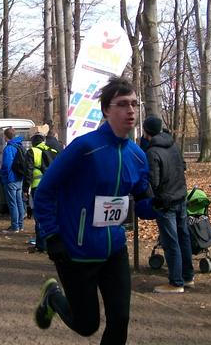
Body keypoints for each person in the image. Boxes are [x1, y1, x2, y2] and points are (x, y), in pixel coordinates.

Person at [33, 76, 156, 344]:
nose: (131, 110)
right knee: (87, 325)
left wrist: (163, 205)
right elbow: (44, 191)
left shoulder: (137, 156)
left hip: (114, 249)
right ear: (106, 110)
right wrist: (51, 235)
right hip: (76, 249)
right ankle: (53, 297)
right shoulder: (85, 148)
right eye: (122, 104)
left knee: (120, 320)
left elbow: (143, 205)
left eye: (134, 104)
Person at [140, 115, 194, 293]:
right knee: (183, 237)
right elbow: (182, 166)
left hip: (165, 202)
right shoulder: (173, 144)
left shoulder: (152, 152)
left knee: (171, 242)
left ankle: (176, 282)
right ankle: (187, 276)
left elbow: (153, 182)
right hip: (181, 197)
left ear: (146, 132)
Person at [24, 133, 58, 252]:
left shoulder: (32, 152)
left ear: (33, 142)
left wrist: (25, 189)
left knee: (39, 216)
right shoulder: (53, 150)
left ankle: (41, 245)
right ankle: (52, 243)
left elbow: (28, 171)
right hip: (53, 187)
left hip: (37, 187)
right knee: (52, 214)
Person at [0, 127, 26, 233]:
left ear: (6, 137)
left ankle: (15, 227)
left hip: (11, 179)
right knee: (19, 202)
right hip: (19, 178)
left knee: (13, 203)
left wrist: (2, 173)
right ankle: (20, 225)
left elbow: (6, 165)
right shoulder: (19, 145)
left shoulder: (9, 148)